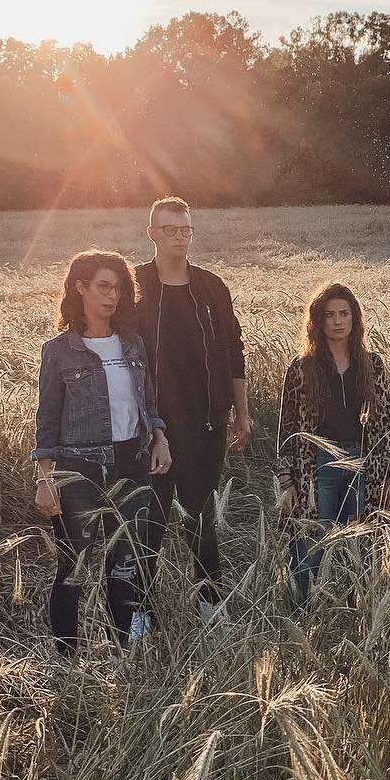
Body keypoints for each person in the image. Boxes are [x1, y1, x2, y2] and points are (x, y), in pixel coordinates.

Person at [33, 251, 171, 654]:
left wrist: (159, 439)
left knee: (125, 566)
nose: (112, 296)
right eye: (103, 287)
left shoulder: (132, 344)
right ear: (81, 287)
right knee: (73, 567)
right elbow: (47, 418)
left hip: (132, 463)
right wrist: (44, 479)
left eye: (118, 288)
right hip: (78, 469)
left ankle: (123, 652)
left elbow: (148, 403)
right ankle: (69, 659)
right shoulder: (60, 350)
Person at [133, 197, 250, 628]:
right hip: (152, 427)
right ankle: (142, 614)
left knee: (201, 513)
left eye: (185, 229)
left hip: (206, 424)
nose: (179, 237)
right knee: (152, 520)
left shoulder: (211, 288)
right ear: (152, 233)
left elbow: (234, 351)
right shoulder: (137, 286)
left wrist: (241, 411)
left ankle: (211, 604)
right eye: (169, 230)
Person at [276, 283, 390, 601]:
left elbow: (385, 424)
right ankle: (302, 619)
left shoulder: (372, 366)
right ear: (318, 321)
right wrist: (287, 479)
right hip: (317, 465)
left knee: (359, 549)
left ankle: (357, 621)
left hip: (364, 464)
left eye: (344, 313)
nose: (337, 321)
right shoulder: (302, 368)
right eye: (329, 315)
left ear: (354, 318)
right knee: (310, 545)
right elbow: (288, 429)